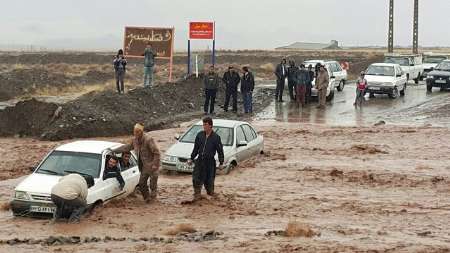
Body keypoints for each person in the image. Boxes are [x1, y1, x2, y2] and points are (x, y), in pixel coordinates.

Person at [112, 123, 161, 203]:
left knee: (153, 185)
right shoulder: (134, 141)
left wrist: (155, 165)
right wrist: (114, 150)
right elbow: (126, 147)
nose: (136, 134)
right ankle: (147, 199)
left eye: (137, 132)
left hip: (152, 165)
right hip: (144, 166)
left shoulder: (148, 139)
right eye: (134, 132)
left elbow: (157, 153)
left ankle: (153, 200)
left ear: (141, 132)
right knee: (141, 184)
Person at [187, 117, 224, 201]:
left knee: (209, 180)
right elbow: (196, 148)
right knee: (196, 178)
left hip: (210, 162)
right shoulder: (200, 135)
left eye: (205, 124)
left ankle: (211, 194)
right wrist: (191, 158)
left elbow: (220, 150)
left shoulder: (216, 137)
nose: (204, 126)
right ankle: (197, 194)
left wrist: (221, 162)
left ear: (210, 125)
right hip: (200, 160)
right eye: (203, 124)